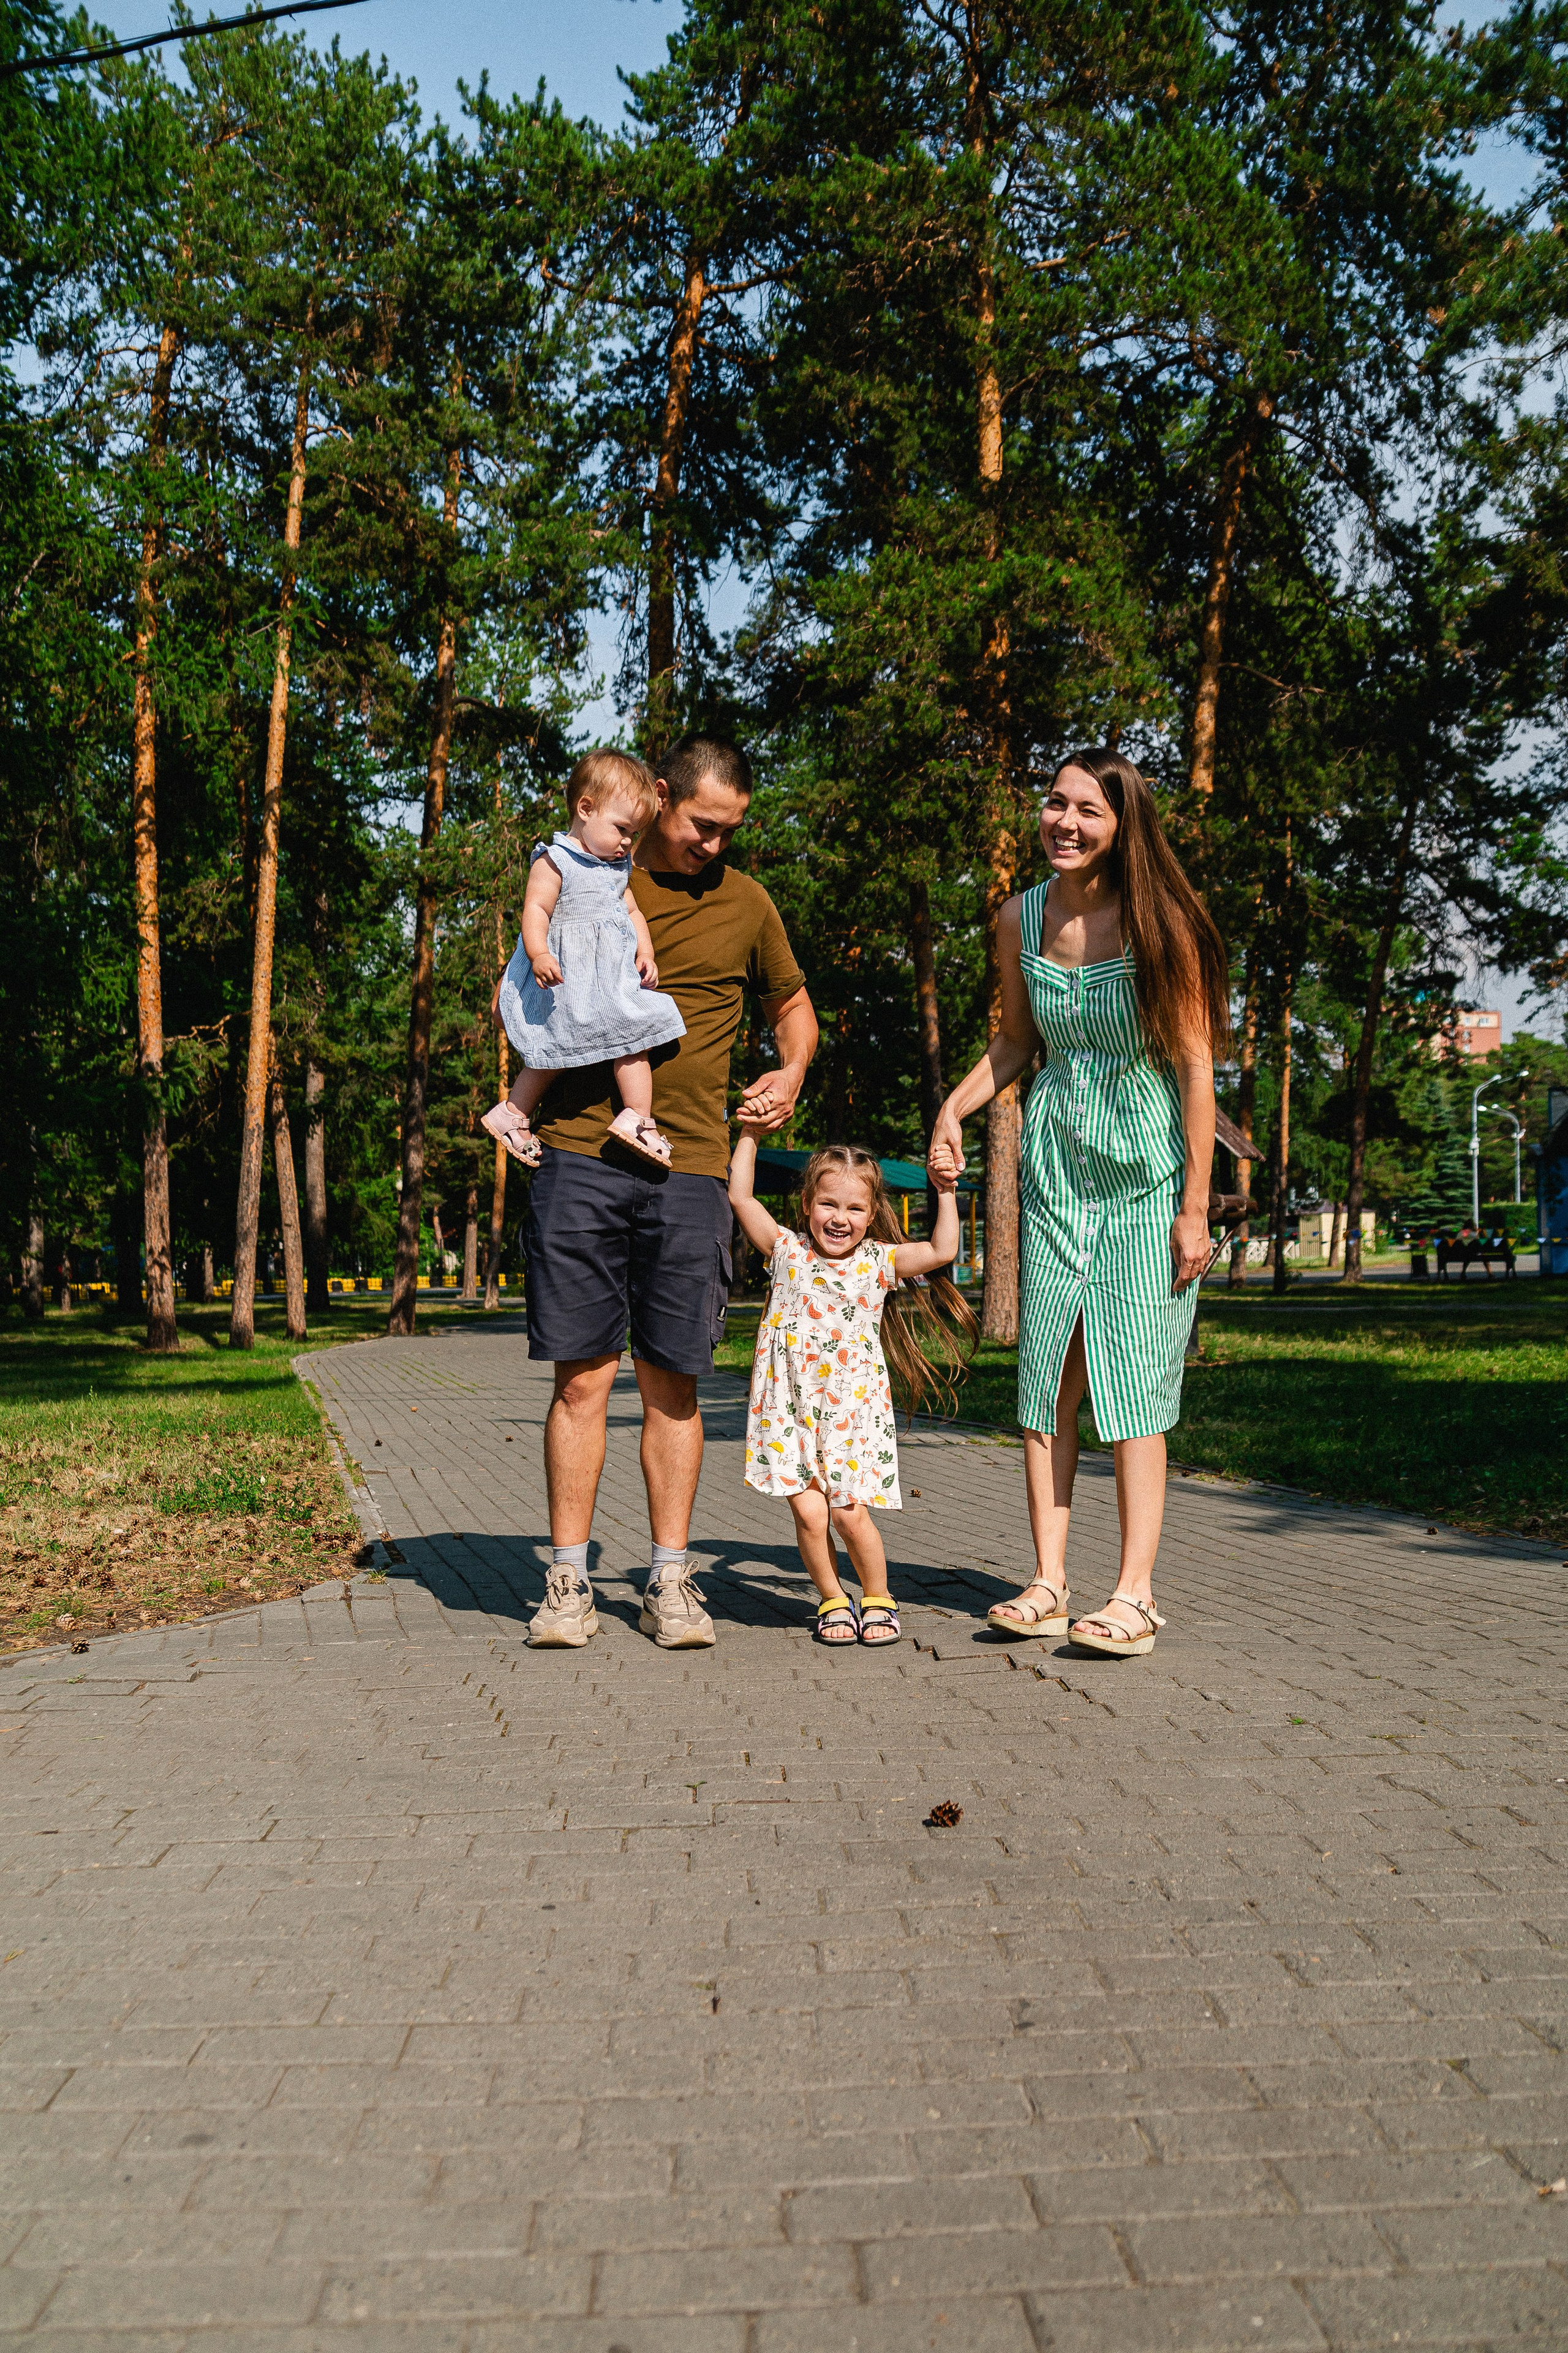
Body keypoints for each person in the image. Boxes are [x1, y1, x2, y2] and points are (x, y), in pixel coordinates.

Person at [929, 749, 1227, 1658]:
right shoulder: (1019, 915)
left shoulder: (1161, 925)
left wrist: (1195, 1207)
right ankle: (1049, 1582)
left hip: (1144, 1173)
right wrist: (953, 1105)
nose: (1063, 821)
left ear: (1122, 823)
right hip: (1057, 1170)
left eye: (1086, 810)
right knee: (1046, 1373)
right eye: (1054, 803)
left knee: (1134, 1377)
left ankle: (1134, 1595)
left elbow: (1195, 1068)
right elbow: (1017, 1040)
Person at [524, 735, 818, 1652]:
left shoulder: (749, 903)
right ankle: (567, 1584)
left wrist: (793, 1071)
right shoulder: (588, 867)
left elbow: (793, 1010)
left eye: (731, 831)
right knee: (583, 1379)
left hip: (690, 1164)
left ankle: (668, 1581)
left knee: (674, 1383)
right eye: (702, 826)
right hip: (578, 1150)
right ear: (659, 798)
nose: (715, 846)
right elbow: (529, 980)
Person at [728, 1135, 974, 1648]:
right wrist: (750, 1135)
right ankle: (832, 1598)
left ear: (871, 1213)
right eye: (828, 1204)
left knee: (846, 1512)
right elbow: (740, 1198)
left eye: (854, 1208)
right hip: (788, 1408)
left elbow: (942, 1249)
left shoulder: (876, 1262)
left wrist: (946, 1190)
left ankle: (878, 1596)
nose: (840, 1218)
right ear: (807, 1205)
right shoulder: (785, 1248)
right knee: (810, 1511)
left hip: (849, 1411)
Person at [483, 750, 687, 1171]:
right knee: (550, 1050)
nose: (628, 842)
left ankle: (636, 1116)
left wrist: (644, 951)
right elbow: (536, 911)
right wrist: (539, 953)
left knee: (634, 1036)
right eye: (622, 829)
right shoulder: (555, 860)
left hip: (607, 984)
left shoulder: (616, 869)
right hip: (564, 980)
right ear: (586, 809)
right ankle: (513, 1114)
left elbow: (632, 913)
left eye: (634, 833)